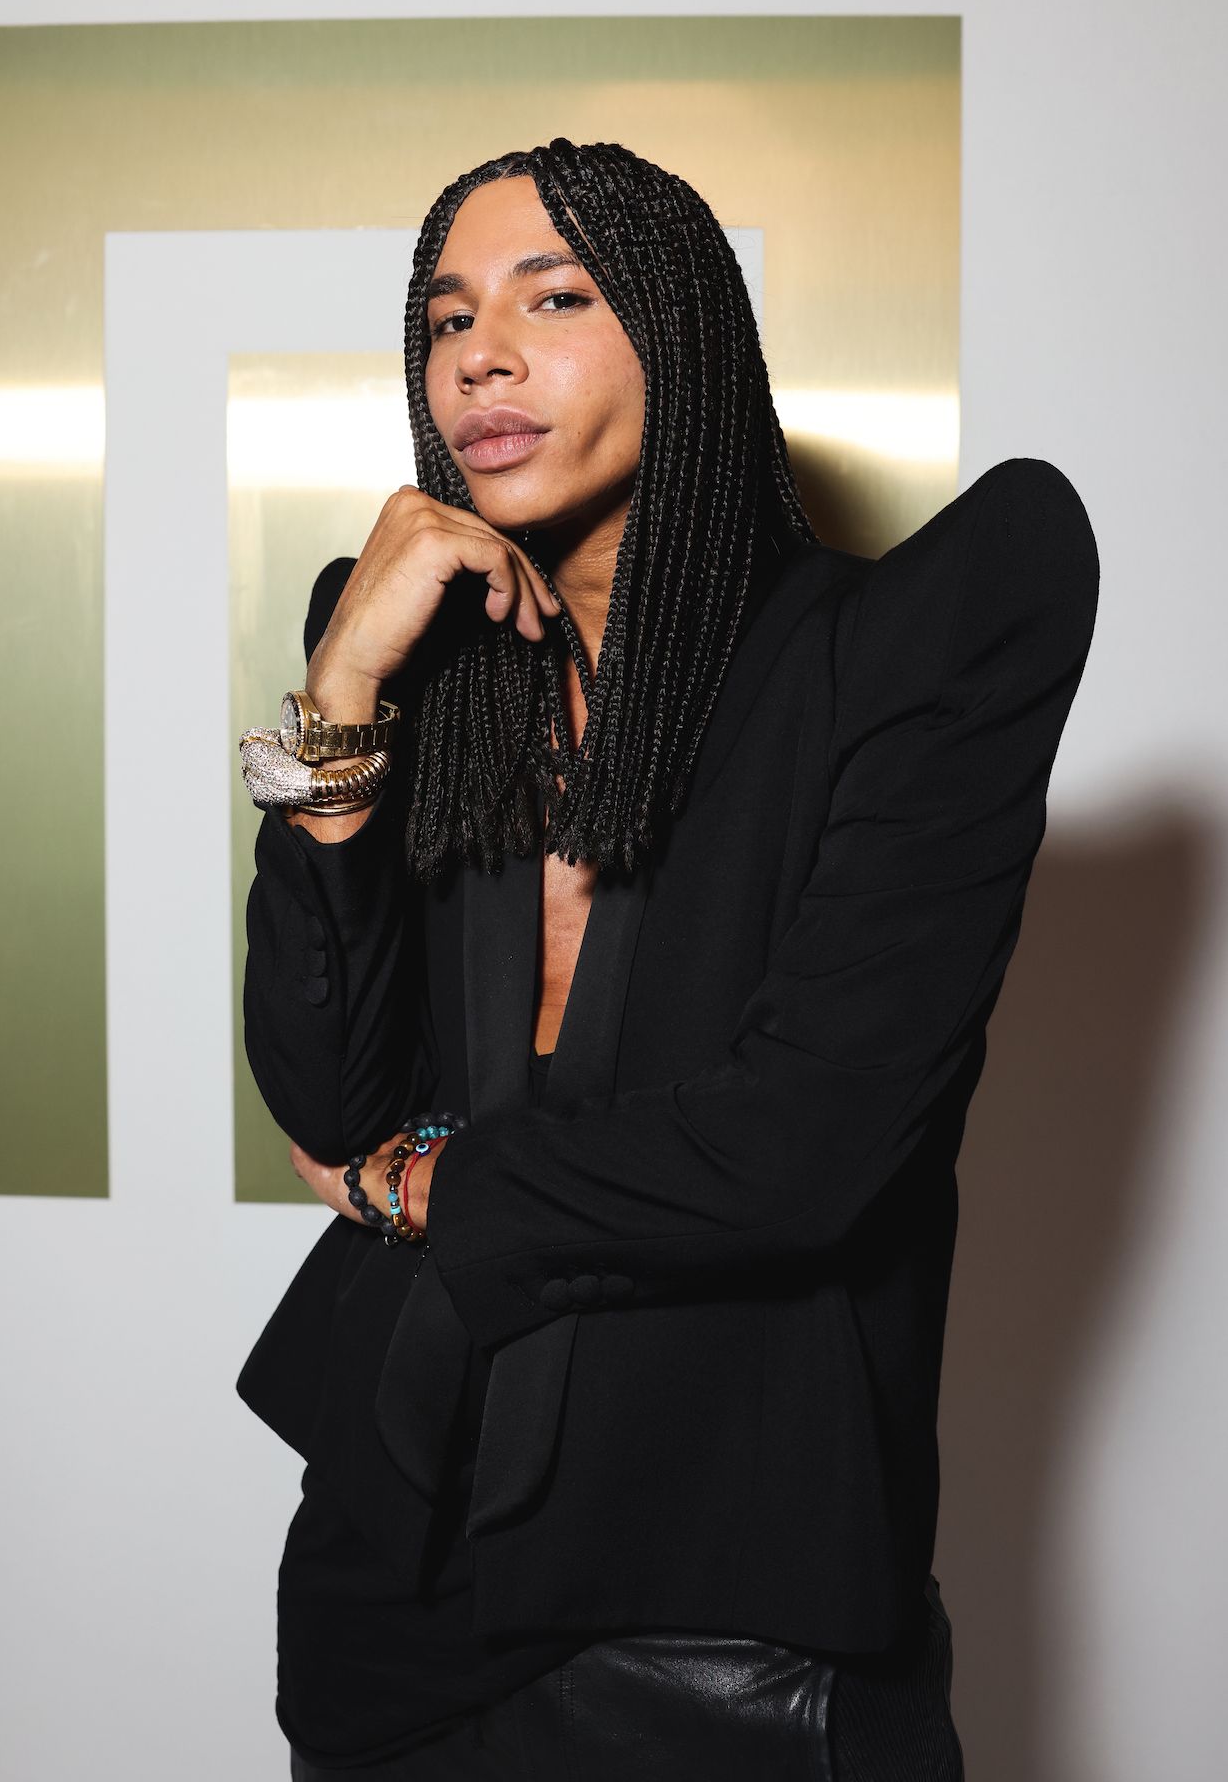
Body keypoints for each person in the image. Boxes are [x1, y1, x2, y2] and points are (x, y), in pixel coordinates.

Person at [234, 138, 1100, 1777]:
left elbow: (801, 1153)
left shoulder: (901, 648)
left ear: (681, 333)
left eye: (553, 298)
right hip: (392, 1586)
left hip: (731, 1611)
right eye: (447, 318)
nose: (480, 354)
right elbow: (325, 1092)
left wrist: (421, 1185)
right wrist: (337, 699)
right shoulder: (421, 669)